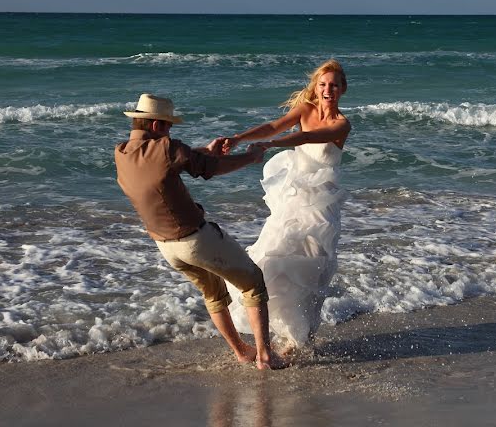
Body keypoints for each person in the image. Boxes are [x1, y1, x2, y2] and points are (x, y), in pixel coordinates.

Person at [115, 93, 286, 370]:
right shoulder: (167, 147)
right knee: (253, 282)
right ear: (157, 126)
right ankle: (265, 356)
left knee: (214, 294)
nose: (170, 131)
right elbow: (208, 169)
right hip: (195, 240)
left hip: (165, 246)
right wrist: (250, 157)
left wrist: (206, 150)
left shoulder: (122, 152)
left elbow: (177, 162)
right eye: (168, 126)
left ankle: (242, 352)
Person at [220, 59, 351, 351]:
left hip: (322, 207)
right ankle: (274, 331)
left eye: (333, 85)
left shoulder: (342, 124)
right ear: (316, 88)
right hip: (292, 203)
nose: (327, 89)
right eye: (322, 84)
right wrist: (239, 138)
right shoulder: (305, 110)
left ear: (342, 89)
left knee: (314, 269)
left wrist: (271, 145)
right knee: (272, 258)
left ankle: (303, 337)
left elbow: (307, 137)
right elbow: (273, 125)